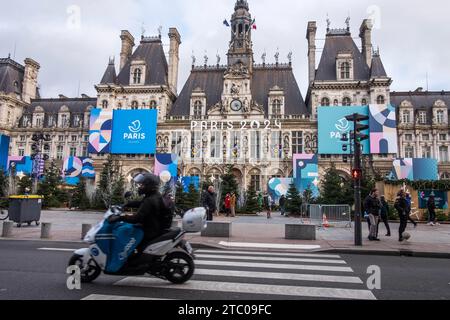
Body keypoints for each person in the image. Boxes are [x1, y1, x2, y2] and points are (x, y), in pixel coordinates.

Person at [109, 174, 173, 252]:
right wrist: (128, 204)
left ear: (149, 186)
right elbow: (141, 203)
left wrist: (120, 217)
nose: (140, 187)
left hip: (150, 231)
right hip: (154, 227)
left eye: (142, 185)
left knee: (125, 234)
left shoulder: (150, 200)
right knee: (128, 228)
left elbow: (136, 218)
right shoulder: (154, 195)